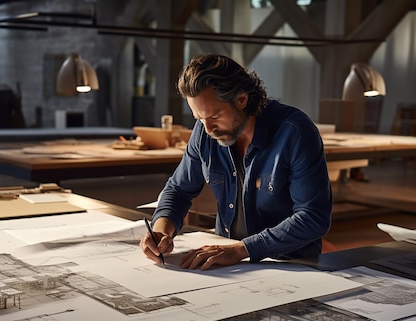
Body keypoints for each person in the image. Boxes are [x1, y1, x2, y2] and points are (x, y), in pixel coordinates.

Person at [140, 53, 332, 270]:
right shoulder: (205, 131)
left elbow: (313, 217)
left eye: (214, 116)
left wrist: (243, 249)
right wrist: (162, 230)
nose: (207, 129)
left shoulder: (296, 133)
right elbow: (178, 190)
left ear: (242, 100)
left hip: (289, 264)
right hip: (225, 260)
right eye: (198, 119)